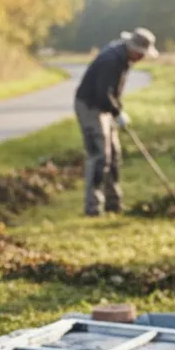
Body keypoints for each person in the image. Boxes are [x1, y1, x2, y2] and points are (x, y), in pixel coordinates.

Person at [74, 28, 158, 217]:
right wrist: (117, 113)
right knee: (99, 156)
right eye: (141, 54)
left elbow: (113, 92)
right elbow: (102, 94)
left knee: (113, 155)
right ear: (134, 49)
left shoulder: (124, 58)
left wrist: (117, 108)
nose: (142, 58)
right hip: (90, 106)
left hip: (104, 107)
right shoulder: (111, 60)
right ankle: (92, 208)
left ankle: (113, 203)